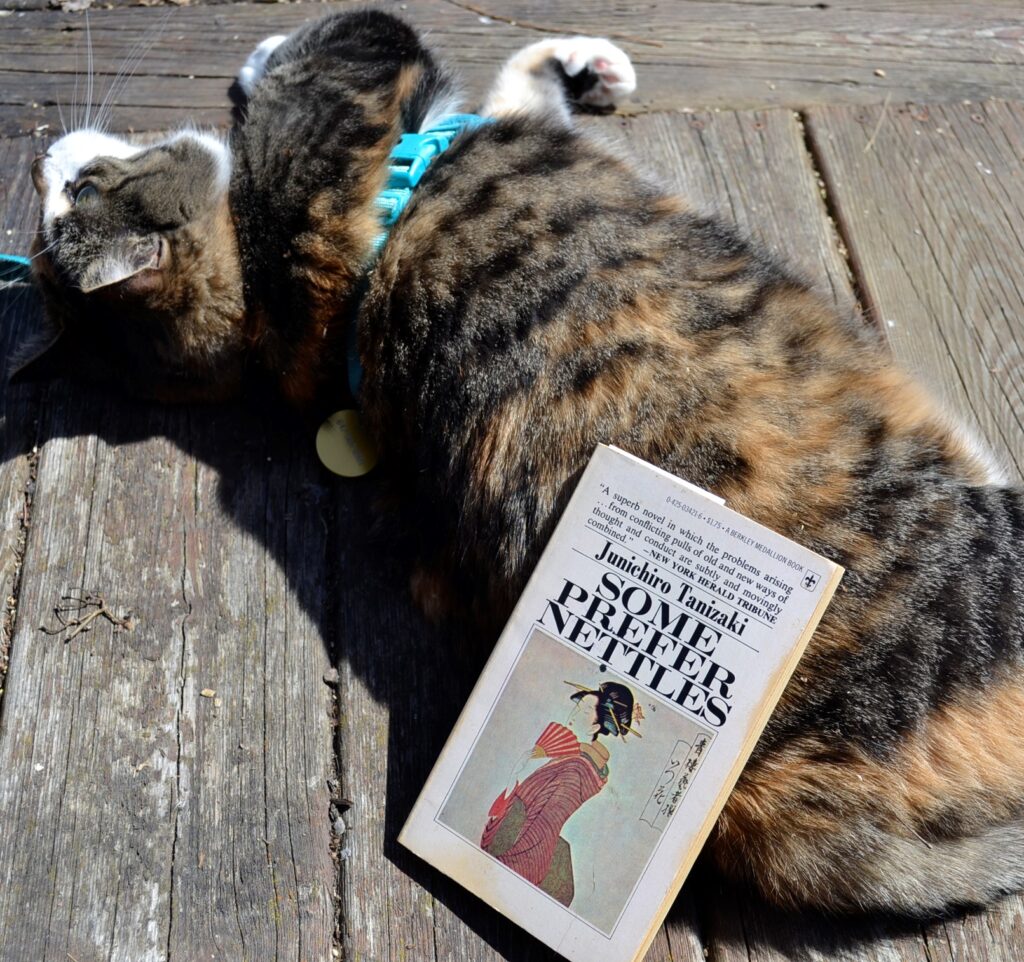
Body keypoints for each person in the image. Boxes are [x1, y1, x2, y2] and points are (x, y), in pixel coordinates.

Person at [481, 680, 641, 905]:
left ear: (596, 727)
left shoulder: (576, 770)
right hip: (521, 837)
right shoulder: (576, 758)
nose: (574, 713)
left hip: (520, 852)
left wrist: (517, 776)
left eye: (585, 710)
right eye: (577, 707)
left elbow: (542, 824)